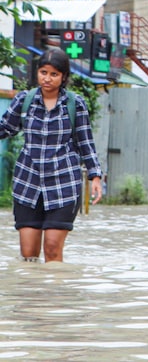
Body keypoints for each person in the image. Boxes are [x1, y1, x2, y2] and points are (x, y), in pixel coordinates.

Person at [0, 47, 102, 262]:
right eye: (43, 72)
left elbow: (85, 142)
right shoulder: (23, 101)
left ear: (63, 77)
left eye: (54, 74)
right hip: (27, 184)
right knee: (28, 255)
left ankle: (54, 293)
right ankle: (32, 293)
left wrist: (95, 176)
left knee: (53, 248)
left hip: (63, 184)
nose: (47, 79)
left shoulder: (75, 104)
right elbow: (5, 129)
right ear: (37, 73)